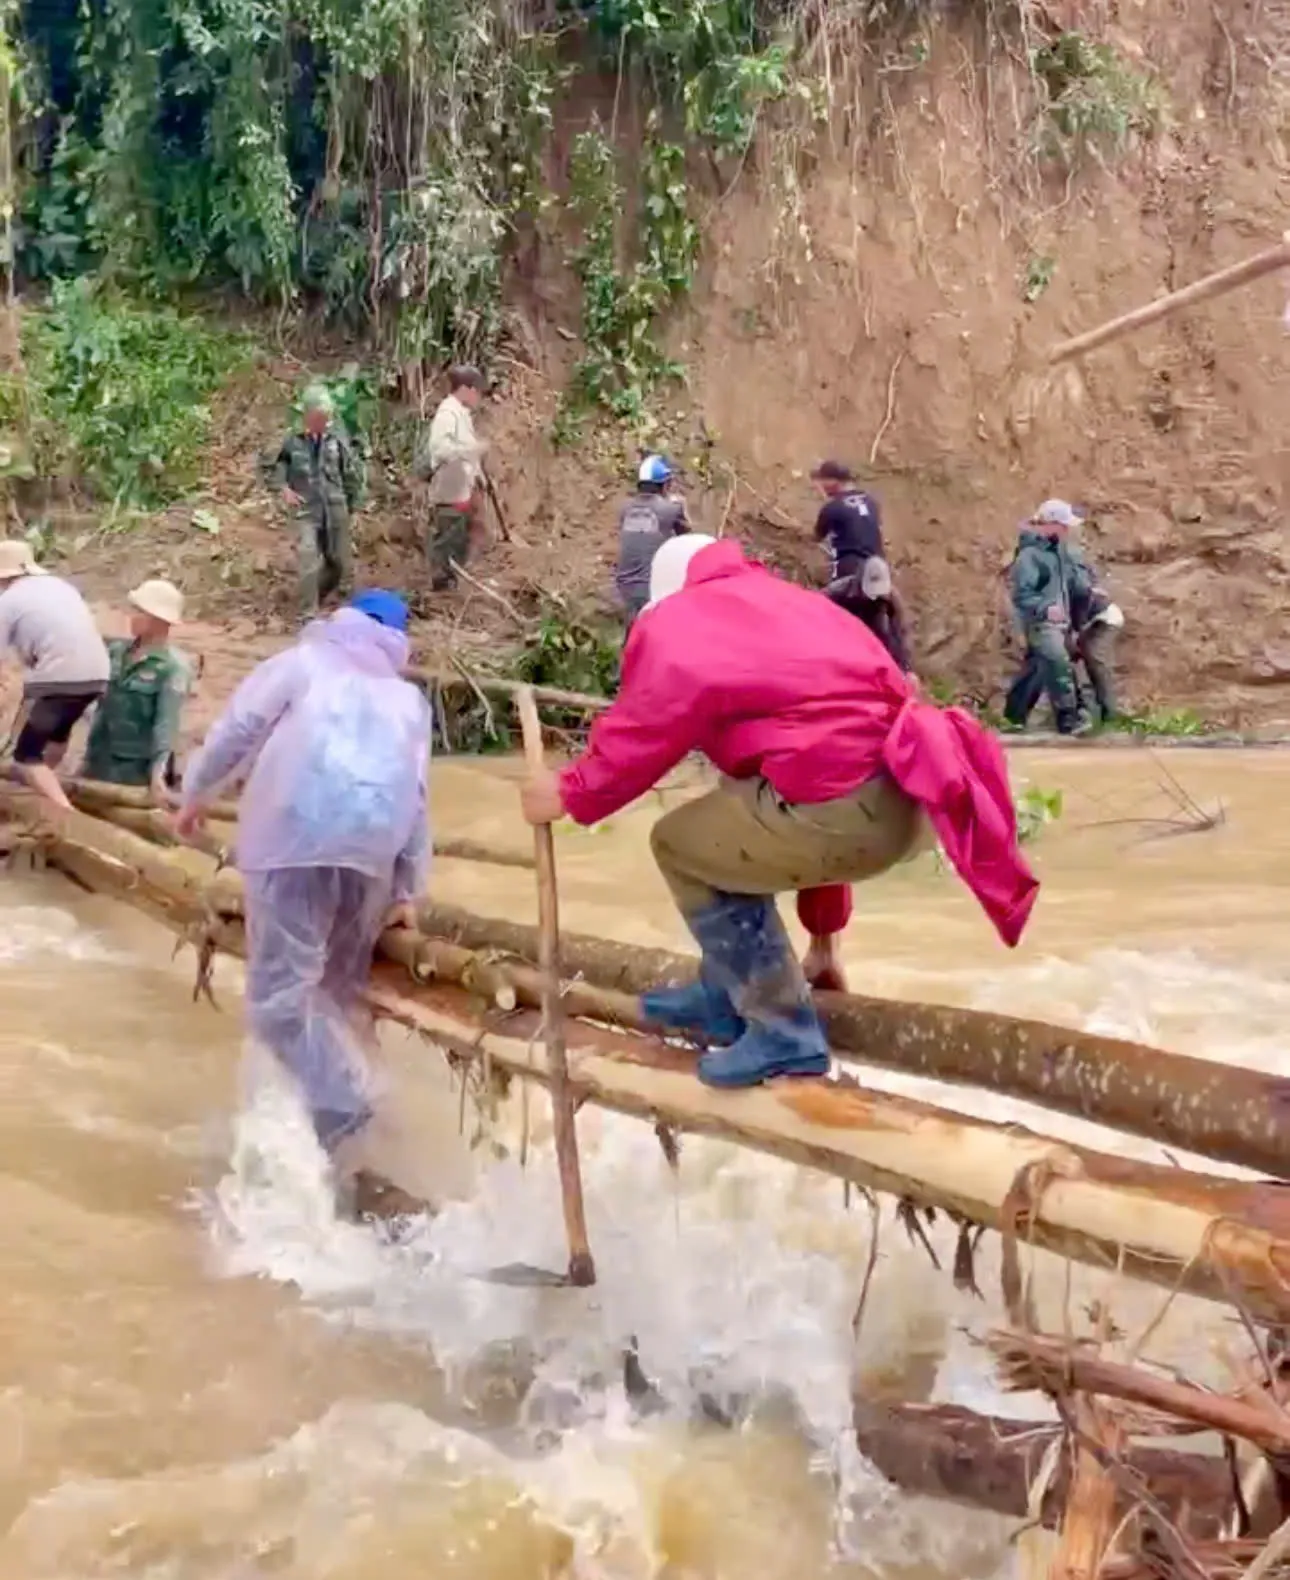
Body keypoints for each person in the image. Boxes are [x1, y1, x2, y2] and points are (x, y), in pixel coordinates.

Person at [519, 534, 1038, 1090]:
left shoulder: (683, 621)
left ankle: (783, 1030)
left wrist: (569, 791)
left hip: (848, 806)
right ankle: (727, 990)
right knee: (732, 818)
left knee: (678, 844)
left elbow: (644, 726)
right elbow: (828, 756)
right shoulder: (792, 606)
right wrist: (823, 943)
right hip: (907, 798)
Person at [174, 591, 433, 1223]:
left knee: (278, 1005)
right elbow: (418, 795)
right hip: (372, 855)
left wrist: (196, 792)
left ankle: (345, 1108)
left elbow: (239, 729)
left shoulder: (301, 664)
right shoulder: (409, 700)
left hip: (291, 844)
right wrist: (407, 890)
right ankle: (347, 1159)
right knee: (334, 997)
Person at [0, 541, 109, 810]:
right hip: (97, 674)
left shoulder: (8, 601)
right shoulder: (61, 587)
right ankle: (42, 789)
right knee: (57, 735)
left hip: (58, 676)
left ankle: (65, 813)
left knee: (26, 755)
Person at [82, 579, 192, 798]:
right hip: (99, 757)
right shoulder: (117, 652)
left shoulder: (173, 667)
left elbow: (166, 723)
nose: (131, 616)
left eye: (139, 612)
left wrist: (158, 772)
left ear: (159, 620)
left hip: (134, 770)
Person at [270, 384, 365, 619]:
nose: (324, 420)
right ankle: (308, 612)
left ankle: (324, 597)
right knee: (308, 557)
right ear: (308, 415)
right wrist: (284, 489)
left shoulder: (336, 440)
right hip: (307, 509)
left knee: (338, 562)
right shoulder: (292, 441)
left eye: (326, 416)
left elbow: (350, 475)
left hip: (335, 508)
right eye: (319, 416)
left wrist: (354, 507)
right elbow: (275, 467)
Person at [1002, 500, 1091, 736]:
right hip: (1040, 622)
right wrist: (1045, 608)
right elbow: (1022, 595)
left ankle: (1013, 717)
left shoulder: (1057, 551)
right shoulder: (1030, 556)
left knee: (1036, 668)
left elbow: (1071, 583)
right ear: (1050, 524)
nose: (1067, 530)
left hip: (1058, 622)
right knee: (1058, 664)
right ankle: (1069, 719)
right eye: (1063, 525)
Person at [811, 460, 909, 668]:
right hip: (878, 573)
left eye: (821, 481)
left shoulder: (832, 508)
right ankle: (900, 668)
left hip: (849, 574)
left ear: (832, 482)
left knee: (836, 623)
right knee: (883, 627)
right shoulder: (872, 502)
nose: (819, 486)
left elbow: (817, 536)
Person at [415, 365, 487, 591]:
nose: (478, 397)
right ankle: (440, 587)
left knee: (458, 538)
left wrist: (478, 474)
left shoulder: (462, 414)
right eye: (476, 391)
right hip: (448, 489)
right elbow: (440, 450)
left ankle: (451, 582)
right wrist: (472, 449)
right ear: (465, 389)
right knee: (446, 538)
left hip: (461, 488)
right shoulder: (447, 413)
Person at [614, 455, 690, 630]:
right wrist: (682, 507)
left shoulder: (625, 508)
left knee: (633, 634)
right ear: (665, 485)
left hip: (624, 587)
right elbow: (686, 536)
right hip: (653, 588)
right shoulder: (671, 508)